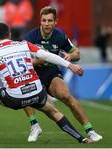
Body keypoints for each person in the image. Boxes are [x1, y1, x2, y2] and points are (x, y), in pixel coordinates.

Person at [0, 23, 92, 144]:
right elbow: (47, 55)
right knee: (53, 111)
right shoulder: (24, 45)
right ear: (10, 34)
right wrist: (70, 65)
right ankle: (81, 138)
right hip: (37, 93)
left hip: (15, 99)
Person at [23, 6, 102, 142]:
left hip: (51, 72)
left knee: (66, 96)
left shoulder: (60, 36)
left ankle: (90, 131)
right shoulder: (30, 37)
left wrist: (71, 56)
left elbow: (77, 53)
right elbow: (22, 61)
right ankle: (35, 126)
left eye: (50, 21)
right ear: (40, 21)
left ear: (55, 22)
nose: (47, 24)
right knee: (23, 91)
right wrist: (37, 61)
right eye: (44, 21)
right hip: (33, 73)